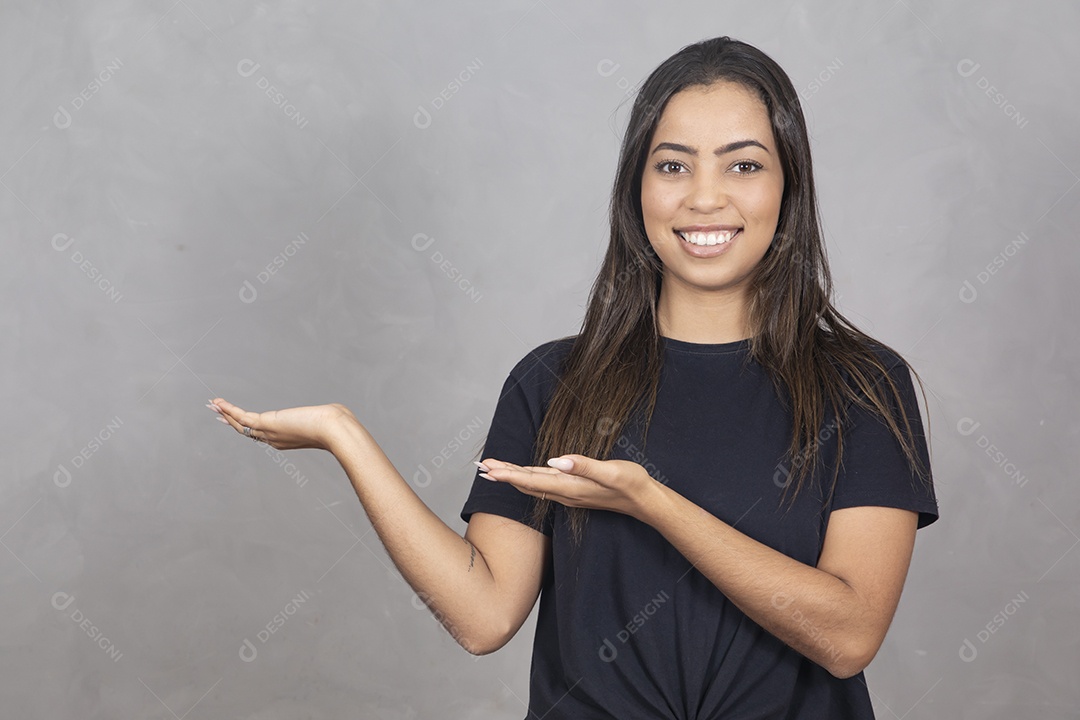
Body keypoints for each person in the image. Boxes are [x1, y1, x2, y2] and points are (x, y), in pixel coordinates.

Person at [209, 35, 938, 719]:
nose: (704, 197)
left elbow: (848, 636)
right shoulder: (552, 381)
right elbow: (483, 617)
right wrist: (345, 437)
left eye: (743, 165)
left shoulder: (864, 387)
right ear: (636, 189)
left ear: (789, 187)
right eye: (673, 165)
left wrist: (652, 502)